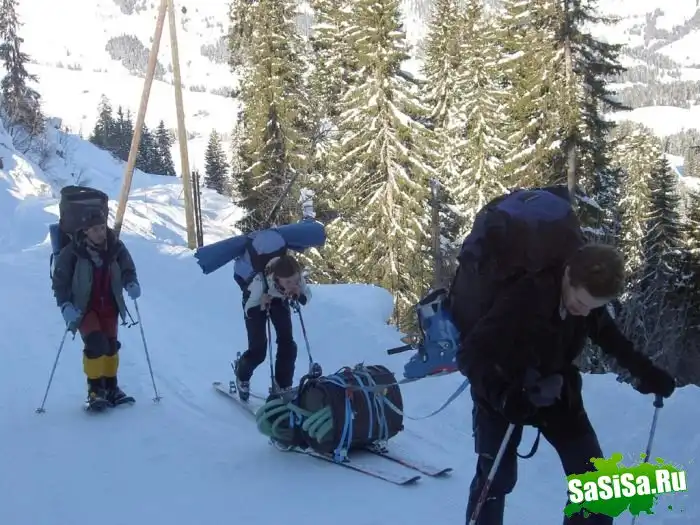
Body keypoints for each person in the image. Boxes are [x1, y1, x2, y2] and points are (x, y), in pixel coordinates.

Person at [450, 242, 676, 525]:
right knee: (496, 480)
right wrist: (504, 396)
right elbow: (471, 354)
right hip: (504, 388)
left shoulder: (587, 301)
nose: (583, 313)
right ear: (567, 274)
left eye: (593, 308)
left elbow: (611, 338)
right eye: (580, 303)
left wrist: (646, 371)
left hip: (555, 389)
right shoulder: (524, 296)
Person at [51, 209, 141, 409]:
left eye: (102, 227)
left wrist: (131, 283)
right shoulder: (72, 252)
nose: (101, 233)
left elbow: (128, 268)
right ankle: (95, 390)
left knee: (110, 345)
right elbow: (60, 282)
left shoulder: (116, 247)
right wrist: (65, 304)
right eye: (95, 229)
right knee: (95, 343)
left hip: (110, 305)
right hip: (84, 308)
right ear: (85, 231)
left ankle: (111, 388)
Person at [234, 253, 312, 401]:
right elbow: (249, 310)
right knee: (258, 351)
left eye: (295, 280)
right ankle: (242, 374)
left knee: (288, 344)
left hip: (279, 300)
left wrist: (299, 295)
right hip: (256, 301)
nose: (293, 284)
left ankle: (282, 385)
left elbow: (307, 295)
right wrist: (261, 305)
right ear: (277, 278)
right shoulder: (260, 281)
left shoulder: (295, 276)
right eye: (288, 282)